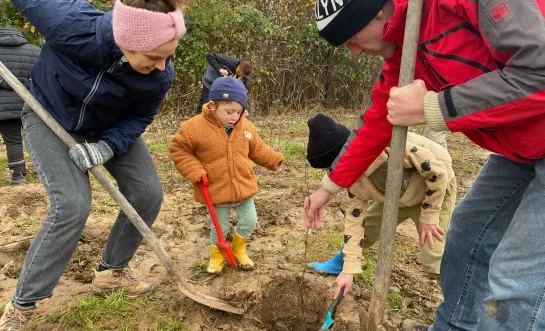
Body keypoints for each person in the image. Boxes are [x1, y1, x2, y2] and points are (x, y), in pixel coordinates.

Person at [306, 0, 545, 330]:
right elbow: (379, 119)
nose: (355, 52)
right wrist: (328, 187)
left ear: (373, 10)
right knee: (467, 240)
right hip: (525, 150)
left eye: (350, 39)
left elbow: (538, 71)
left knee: (515, 278)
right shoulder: (405, 50)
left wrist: (435, 107)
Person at [0, 0, 186, 328]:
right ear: (130, 40)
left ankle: (111, 272)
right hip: (49, 115)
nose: (162, 67)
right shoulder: (72, 24)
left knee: (148, 194)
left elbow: (140, 115)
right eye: (155, 57)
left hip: (108, 125)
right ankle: (22, 305)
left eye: (167, 56)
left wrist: (107, 146)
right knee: (72, 205)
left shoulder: (159, 76)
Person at [305, 113, 456, 298]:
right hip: (394, 198)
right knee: (367, 228)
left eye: (332, 168)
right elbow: (355, 222)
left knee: (434, 259)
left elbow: (438, 174)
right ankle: (342, 263)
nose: (333, 174)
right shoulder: (351, 180)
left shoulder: (393, 147)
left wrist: (429, 216)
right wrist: (350, 270)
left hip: (432, 193)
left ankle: (458, 307)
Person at [170, 76, 284, 274]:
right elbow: (178, 150)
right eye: (229, 112)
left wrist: (273, 159)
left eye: (239, 112)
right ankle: (217, 256)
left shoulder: (245, 127)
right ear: (213, 106)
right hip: (215, 188)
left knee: (250, 221)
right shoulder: (193, 128)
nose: (234, 117)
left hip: (243, 186)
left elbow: (258, 149)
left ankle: (239, 248)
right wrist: (195, 171)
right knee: (219, 228)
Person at [0, 27, 40, 185]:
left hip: (4, 106)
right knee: (35, 138)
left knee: (13, 140)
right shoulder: (34, 51)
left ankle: (18, 176)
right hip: (31, 104)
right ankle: (41, 169)